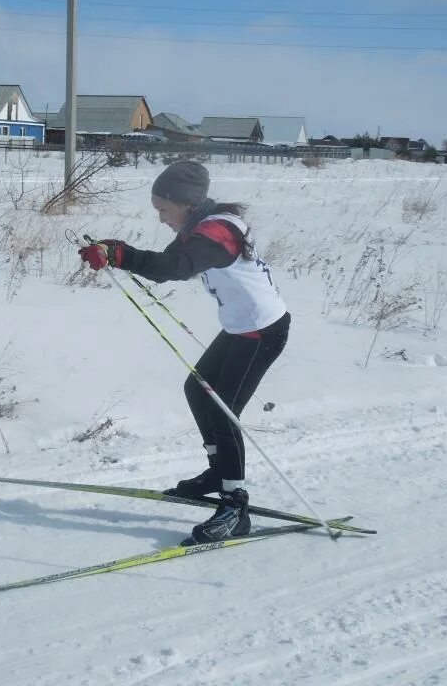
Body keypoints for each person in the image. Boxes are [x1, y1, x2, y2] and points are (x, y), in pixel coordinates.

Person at [78, 160, 290, 545]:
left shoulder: (218, 232)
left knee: (223, 410)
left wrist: (121, 255)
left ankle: (234, 505)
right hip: (241, 328)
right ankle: (217, 471)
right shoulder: (200, 226)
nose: (161, 218)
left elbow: (176, 267)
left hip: (262, 331)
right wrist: (112, 250)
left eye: (163, 209)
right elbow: (166, 265)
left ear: (186, 203)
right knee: (197, 390)